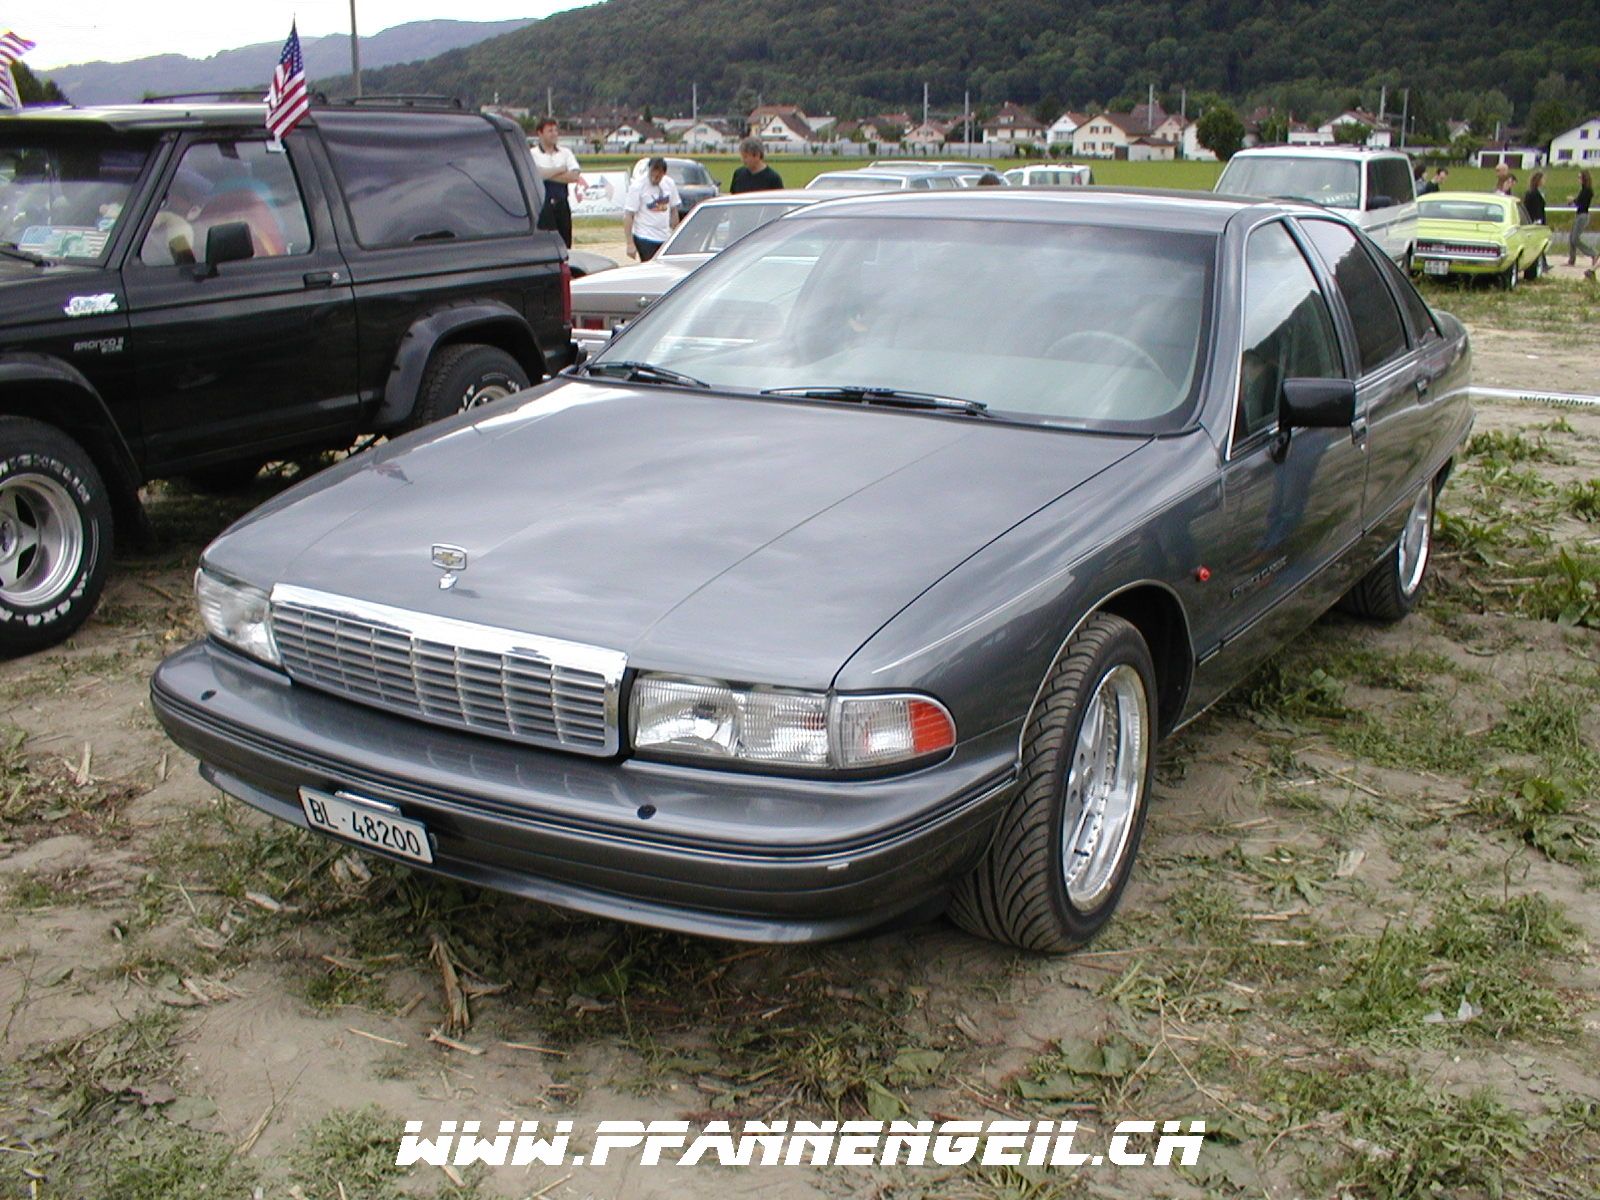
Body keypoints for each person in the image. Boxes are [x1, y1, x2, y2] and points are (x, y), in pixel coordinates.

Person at [530, 116, 582, 249]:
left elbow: (574, 176)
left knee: (565, 246)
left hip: (562, 204)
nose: (554, 134)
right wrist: (560, 169)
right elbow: (535, 175)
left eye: (555, 130)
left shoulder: (566, 153)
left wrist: (546, 174)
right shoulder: (532, 154)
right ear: (540, 133)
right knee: (545, 246)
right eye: (550, 131)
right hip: (543, 206)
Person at [623, 156, 680, 261]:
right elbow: (629, 215)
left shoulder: (669, 184)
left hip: (664, 236)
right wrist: (630, 243)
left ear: (663, 173)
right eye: (652, 174)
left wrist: (676, 233)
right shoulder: (638, 186)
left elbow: (674, 210)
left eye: (658, 176)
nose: (654, 178)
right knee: (650, 265)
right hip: (645, 236)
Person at [1568, 169, 1592, 267]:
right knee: (1571, 237)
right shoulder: (1583, 190)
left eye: (1579, 177)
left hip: (1583, 216)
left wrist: (1573, 200)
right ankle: (1571, 259)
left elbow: (1581, 203)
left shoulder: (1587, 191)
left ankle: (1593, 253)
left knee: (1575, 239)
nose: (1578, 179)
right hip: (1579, 215)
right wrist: (1573, 201)